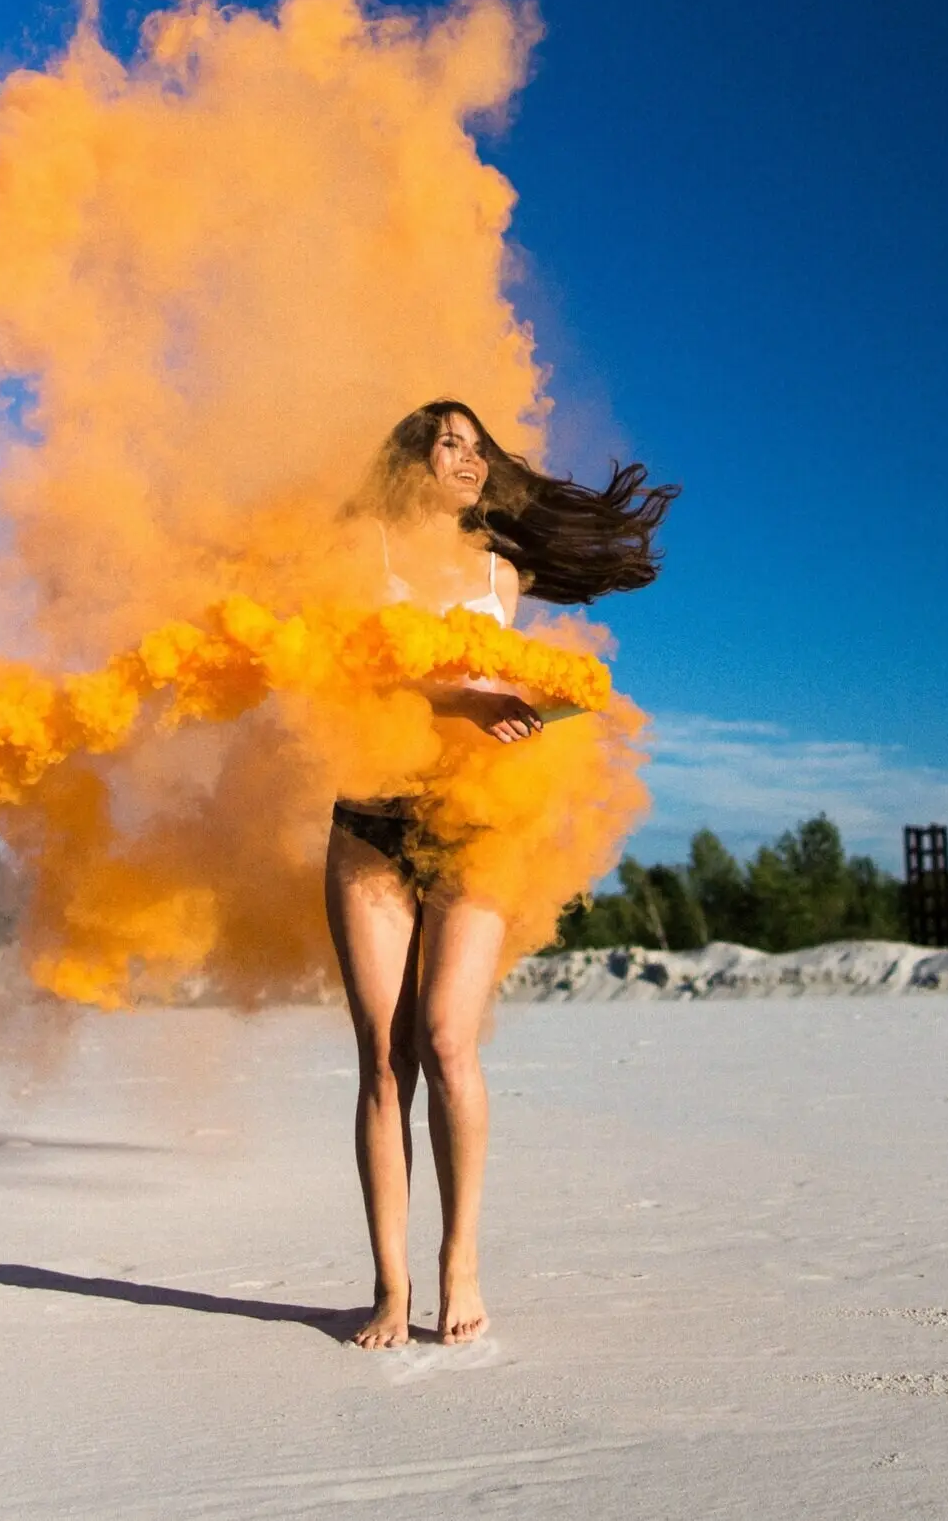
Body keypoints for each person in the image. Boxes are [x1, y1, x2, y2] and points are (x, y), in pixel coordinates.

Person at [327, 399, 677, 1348]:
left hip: (471, 821)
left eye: (476, 446)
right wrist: (451, 695)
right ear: (410, 461)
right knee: (383, 1061)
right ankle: (390, 1287)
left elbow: (491, 686)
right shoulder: (367, 557)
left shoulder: (499, 568)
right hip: (369, 820)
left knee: (446, 1040)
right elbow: (352, 666)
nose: (466, 457)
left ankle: (461, 1262)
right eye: (447, 442)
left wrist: (526, 709)